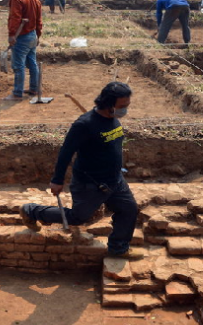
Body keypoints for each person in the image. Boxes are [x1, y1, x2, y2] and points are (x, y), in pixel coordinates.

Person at [20, 82, 139, 258]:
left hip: (115, 180)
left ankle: (118, 248)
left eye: (126, 106)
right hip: (91, 183)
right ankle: (31, 211)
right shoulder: (84, 125)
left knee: (129, 209)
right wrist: (57, 180)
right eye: (122, 106)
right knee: (77, 217)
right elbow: (66, 153)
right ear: (108, 103)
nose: (125, 110)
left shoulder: (112, 118)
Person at [6, 0, 42, 100]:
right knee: (32, 63)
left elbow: (15, 18)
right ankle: (34, 89)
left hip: (21, 36)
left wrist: (11, 35)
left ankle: (17, 93)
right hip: (32, 35)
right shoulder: (35, 0)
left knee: (18, 65)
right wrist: (38, 35)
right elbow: (39, 21)